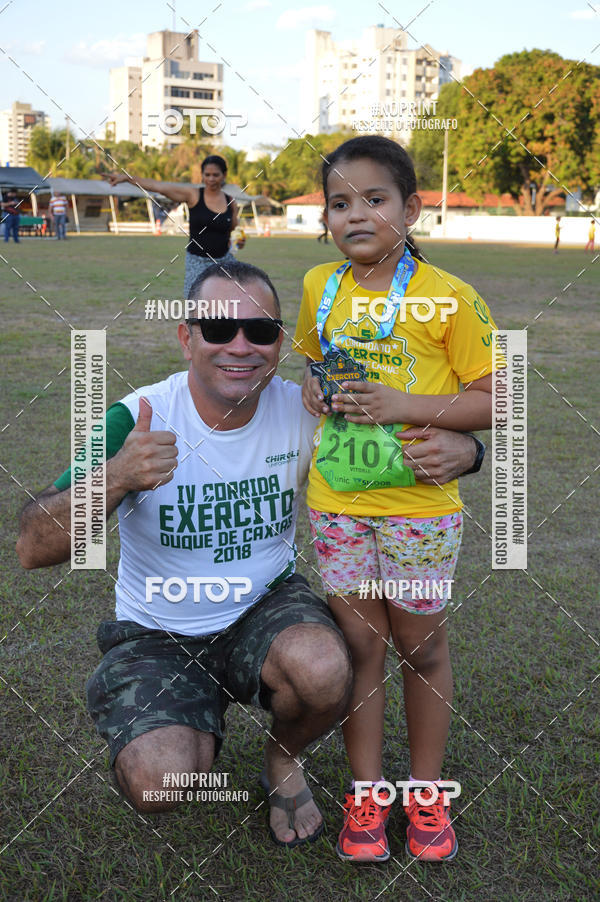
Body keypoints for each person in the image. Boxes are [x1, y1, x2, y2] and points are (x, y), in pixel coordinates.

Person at [16, 259, 482, 847]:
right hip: (158, 630)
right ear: (186, 338)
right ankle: (192, 719)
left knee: (325, 668)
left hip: (265, 609)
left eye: (260, 331)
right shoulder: (136, 418)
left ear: (280, 343)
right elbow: (32, 547)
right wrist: (117, 476)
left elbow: (401, 440)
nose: (241, 345)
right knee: (159, 782)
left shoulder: (307, 409)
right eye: (217, 329)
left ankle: (282, 759)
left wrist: (468, 450)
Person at [294, 135, 496, 864]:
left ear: (410, 209)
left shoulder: (450, 295)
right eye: (339, 203)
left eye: (374, 200)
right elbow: (313, 364)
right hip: (339, 502)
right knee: (361, 648)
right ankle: (368, 794)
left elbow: (495, 396)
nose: (355, 216)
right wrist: (316, 386)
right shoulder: (322, 285)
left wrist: (407, 403)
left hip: (418, 507)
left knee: (422, 646)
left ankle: (427, 791)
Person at [107, 155, 239, 297]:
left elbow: (231, 230)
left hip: (224, 261)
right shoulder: (193, 195)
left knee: (230, 304)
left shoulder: (230, 201)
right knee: (195, 307)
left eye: (216, 175)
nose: (211, 179)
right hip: (198, 262)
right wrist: (127, 178)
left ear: (224, 175)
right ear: (202, 176)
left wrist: (239, 242)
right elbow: (158, 187)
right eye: (207, 175)